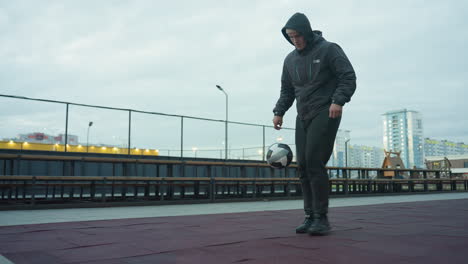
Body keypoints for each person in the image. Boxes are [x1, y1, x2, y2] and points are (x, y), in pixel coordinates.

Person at [273, 12, 356, 235]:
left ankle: (322, 218)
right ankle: (309, 216)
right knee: (302, 166)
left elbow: (348, 77)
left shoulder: (329, 49)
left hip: (326, 110)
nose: (295, 40)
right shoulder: (290, 60)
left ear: (307, 32)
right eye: (290, 37)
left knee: (313, 162)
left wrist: (338, 100)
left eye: (298, 35)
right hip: (304, 114)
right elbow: (287, 90)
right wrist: (279, 111)